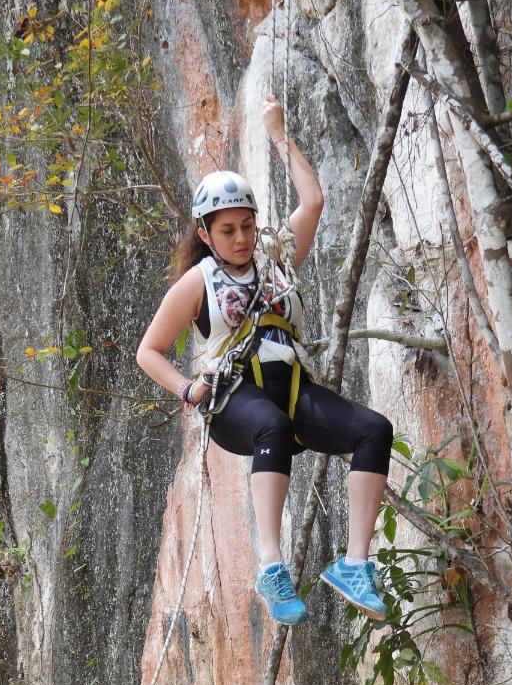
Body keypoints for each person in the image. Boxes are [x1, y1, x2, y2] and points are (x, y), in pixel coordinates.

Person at [137, 94, 393, 627]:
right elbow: (149, 351)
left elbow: (314, 199)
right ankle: (272, 567)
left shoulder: (276, 260)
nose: (240, 238)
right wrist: (188, 390)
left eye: (247, 226)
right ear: (205, 234)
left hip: (292, 387)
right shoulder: (197, 283)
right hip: (235, 400)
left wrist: (279, 135)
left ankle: (354, 564)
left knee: (374, 430)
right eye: (226, 230)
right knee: (271, 425)